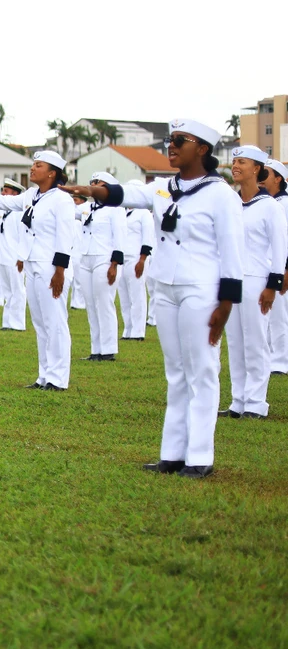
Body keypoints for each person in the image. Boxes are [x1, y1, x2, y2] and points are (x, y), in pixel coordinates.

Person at [61, 119, 243, 478]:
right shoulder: (164, 188)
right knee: (175, 372)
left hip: (201, 290)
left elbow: (232, 251)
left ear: (203, 149)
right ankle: (172, 453)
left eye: (179, 140)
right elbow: (126, 195)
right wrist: (92, 190)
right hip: (168, 288)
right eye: (168, 140)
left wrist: (226, 304)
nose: (170, 146)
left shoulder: (221, 195)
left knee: (202, 370)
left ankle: (200, 456)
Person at [0, 151, 75, 391]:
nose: (33, 168)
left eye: (39, 165)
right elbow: (6, 202)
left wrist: (60, 271)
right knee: (40, 321)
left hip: (52, 266)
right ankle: (44, 375)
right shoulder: (32, 195)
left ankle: (58, 378)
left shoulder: (62, 199)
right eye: (33, 164)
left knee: (55, 321)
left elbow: (65, 237)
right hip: (33, 263)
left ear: (52, 173)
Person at [220, 146, 286, 419]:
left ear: (257, 169)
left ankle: (257, 403)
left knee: (256, 341)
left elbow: (280, 247)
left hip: (258, 280)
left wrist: (273, 284)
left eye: (242, 162)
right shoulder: (231, 203)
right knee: (235, 341)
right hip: (232, 279)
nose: (235, 166)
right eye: (234, 161)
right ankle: (239, 401)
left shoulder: (269, 206)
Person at [76, 172, 127, 361]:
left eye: (98, 182)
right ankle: (95, 349)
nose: (93, 184)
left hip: (104, 259)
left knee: (104, 303)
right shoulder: (87, 207)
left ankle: (108, 350)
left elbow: (120, 238)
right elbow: (67, 211)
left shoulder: (115, 208)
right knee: (90, 304)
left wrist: (114, 264)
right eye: (92, 182)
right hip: (86, 257)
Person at [118, 187, 155, 340]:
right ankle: (128, 330)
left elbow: (148, 239)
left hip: (136, 259)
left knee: (137, 296)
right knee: (124, 297)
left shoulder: (144, 213)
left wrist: (142, 259)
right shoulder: (121, 212)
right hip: (121, 259)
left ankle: (138, 332)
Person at [0, 179, 27, 331]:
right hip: (3, 257)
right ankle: (7, 322)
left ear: (15, 194)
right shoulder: (5, 211)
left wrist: (21, 258)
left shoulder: (19, 213)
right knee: (7, 291)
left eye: (6, 191)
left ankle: (18, 323)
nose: (3, 193)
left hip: (15, 259)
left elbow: (23, 238)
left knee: (18, 291)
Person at [266, 159, 288, 375]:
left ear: (278, 179)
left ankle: (281, 361)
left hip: (281, 267)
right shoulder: (269, 203)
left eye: (266, 173)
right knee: (270, 316)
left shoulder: (285, 204)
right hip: (269, 267)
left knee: (279, 317)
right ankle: (272, 357)